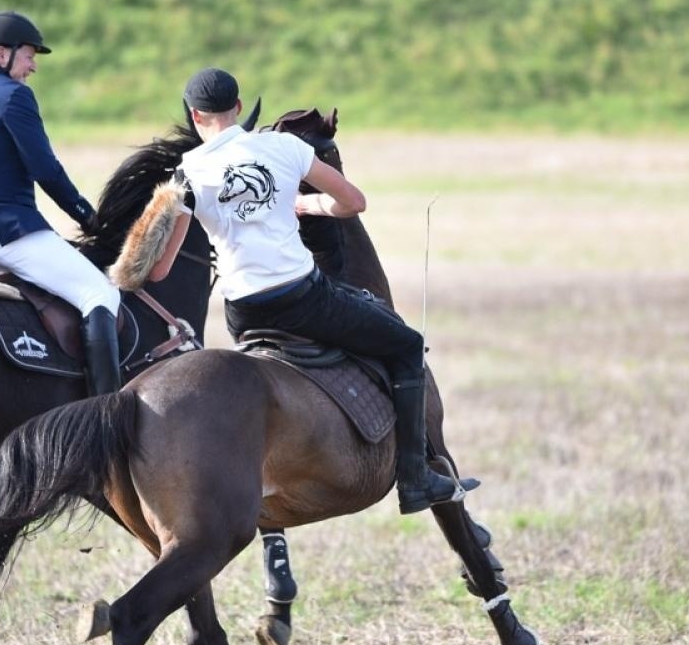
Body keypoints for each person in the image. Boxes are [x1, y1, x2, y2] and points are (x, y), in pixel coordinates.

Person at [147, 67, 471, 514]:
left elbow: (161, 268)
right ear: (239, 108)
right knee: (407, 345)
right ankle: (415, 477)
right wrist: (307, 203)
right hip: (301, 299)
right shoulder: (284, 147)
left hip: (242, 311)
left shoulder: (186, 174)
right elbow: (353, 203)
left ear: (194, 115)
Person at [0, 10, 122, 396]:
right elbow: (45, 169)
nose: (33, 66)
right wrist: (90, 218)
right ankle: (107, 414)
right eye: (29, 55)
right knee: (100, 293)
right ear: (2, 54)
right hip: (5, 228)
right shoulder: (14, 96)